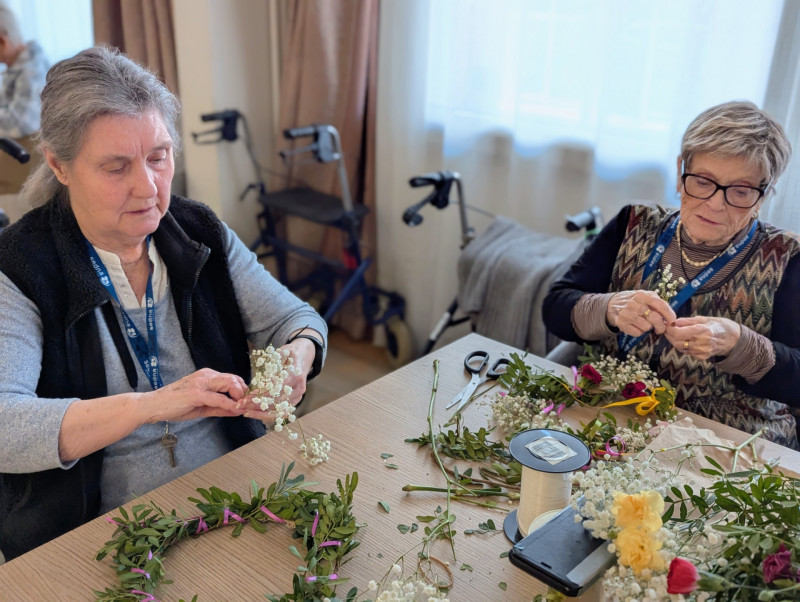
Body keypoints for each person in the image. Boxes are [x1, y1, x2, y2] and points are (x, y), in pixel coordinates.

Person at [0, 46, 327, 560]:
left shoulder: (198, 232)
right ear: (59, 166)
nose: (148, 186)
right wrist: (150, 407)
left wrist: (299, 355)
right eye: (116, 167)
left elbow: (295, 319)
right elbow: (4, 423)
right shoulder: (19, 266)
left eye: (159, 156)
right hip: (96, 530)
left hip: (232, 492)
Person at [543, 101, 800, 450]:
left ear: (764, 195)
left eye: (740, 191)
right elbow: (556, 307)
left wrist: (739, 344)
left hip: (727, 440)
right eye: (703, 181)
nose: (714, 203)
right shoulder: (634, 222)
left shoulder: (786, 258)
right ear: (681, 171)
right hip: (616, 414)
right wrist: (609, 309)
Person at [0, 1, 47, 138]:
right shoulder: (15, 67)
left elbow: (21, 123)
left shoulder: (30, 70)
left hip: (27, 152)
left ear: (2, 41)